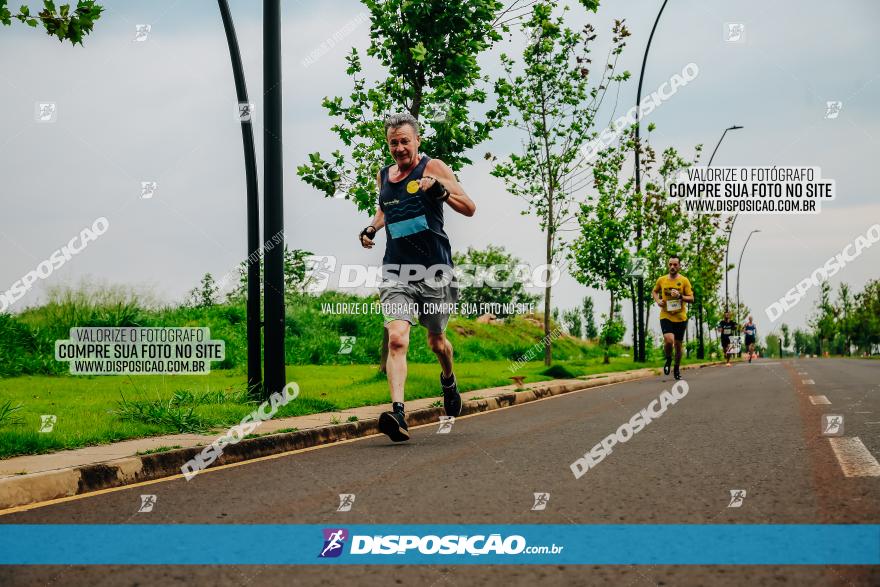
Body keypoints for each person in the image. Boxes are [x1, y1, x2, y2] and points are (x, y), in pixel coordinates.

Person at [359, 112, 476, 442]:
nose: (399, 148)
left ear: (417, 141)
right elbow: (385, 207)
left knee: (436, 342)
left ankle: (449, 380)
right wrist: (372, 227)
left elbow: (469, 206)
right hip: (397, 271)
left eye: (404, 141)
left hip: (435, 272)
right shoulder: (385, 175)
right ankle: (398, 413)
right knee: (397, 338)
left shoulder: (434, 167)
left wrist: (440, 192)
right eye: (393, 142)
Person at [651, 255, 695, 380]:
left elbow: (691, 298)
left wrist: (680, 296)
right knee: (669, 340)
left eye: (675, 265)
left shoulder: (684, 281)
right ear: (667, 265)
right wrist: (658, 300)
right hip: (666, 315)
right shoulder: (661, 280)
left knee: (678, 345)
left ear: (679, 266)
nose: (672, 267)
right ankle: (668, 359)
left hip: (680, 317)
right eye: (670, 264)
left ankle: (676, 368)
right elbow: (654, 291)